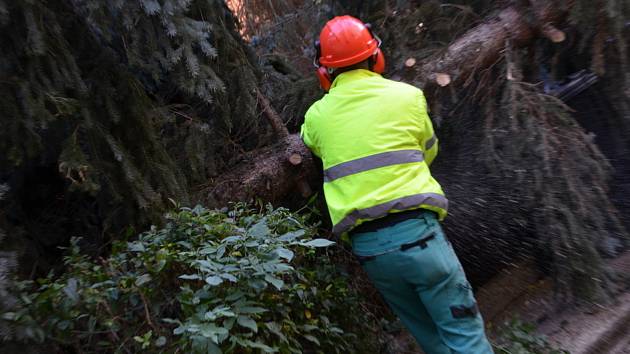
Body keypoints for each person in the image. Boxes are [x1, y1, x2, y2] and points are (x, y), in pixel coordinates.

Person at [300, 15, 494, 354]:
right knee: (464, 336)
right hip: (420, 238)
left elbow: (311, 142)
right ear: (376, 56)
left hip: (372, 253)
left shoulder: (317, 116)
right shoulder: (408, 96)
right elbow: (428, 151)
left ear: (324, 70)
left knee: (433, 342)